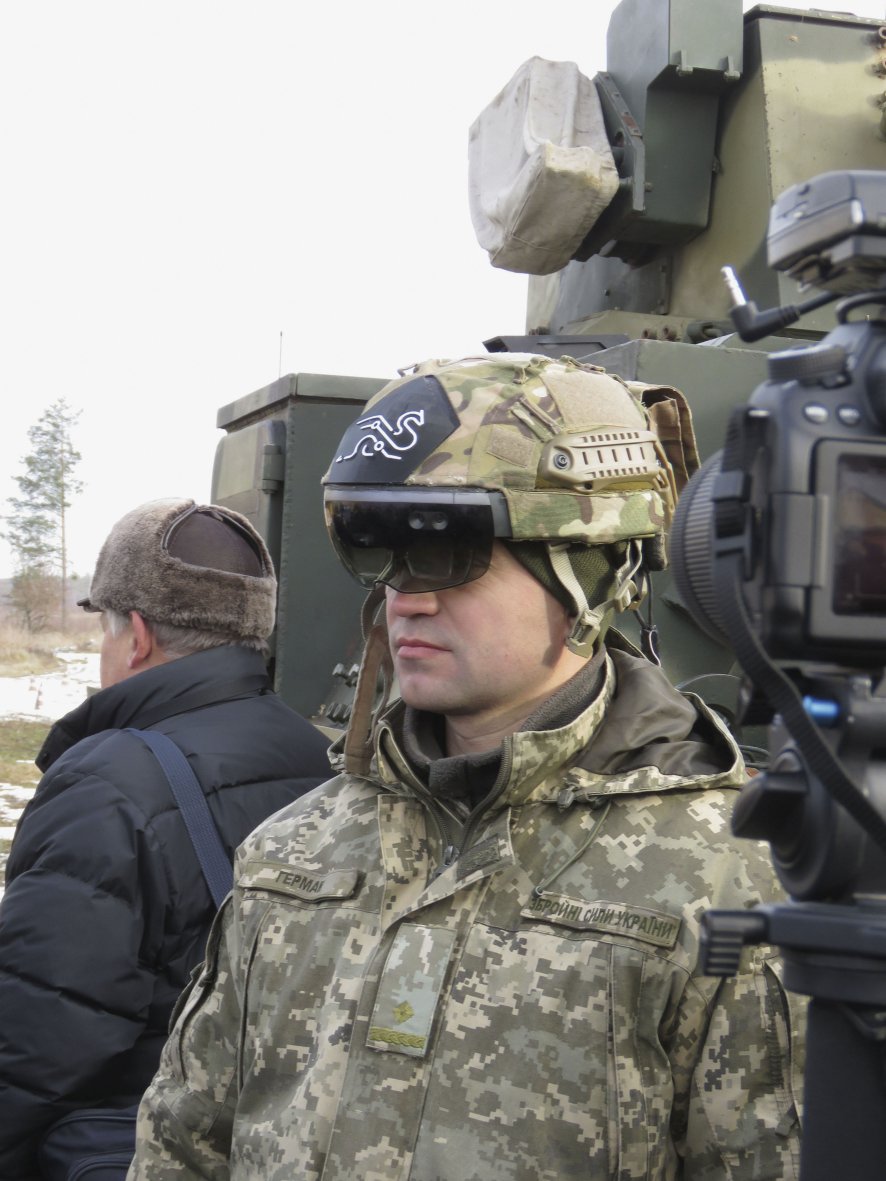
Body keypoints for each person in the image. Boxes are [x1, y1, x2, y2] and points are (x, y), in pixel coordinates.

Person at [130, 357, 804, 1180]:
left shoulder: (729, 882)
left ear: (589, 564)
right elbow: (183, 1143)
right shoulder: (296, 852)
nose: (404, 596)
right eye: (378, 547)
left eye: (448, 546)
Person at [0, 498, 332, 1180]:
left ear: (138, 636)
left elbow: (38, 1046)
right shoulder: (317, 756)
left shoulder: (106, 783)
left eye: (106, 629)